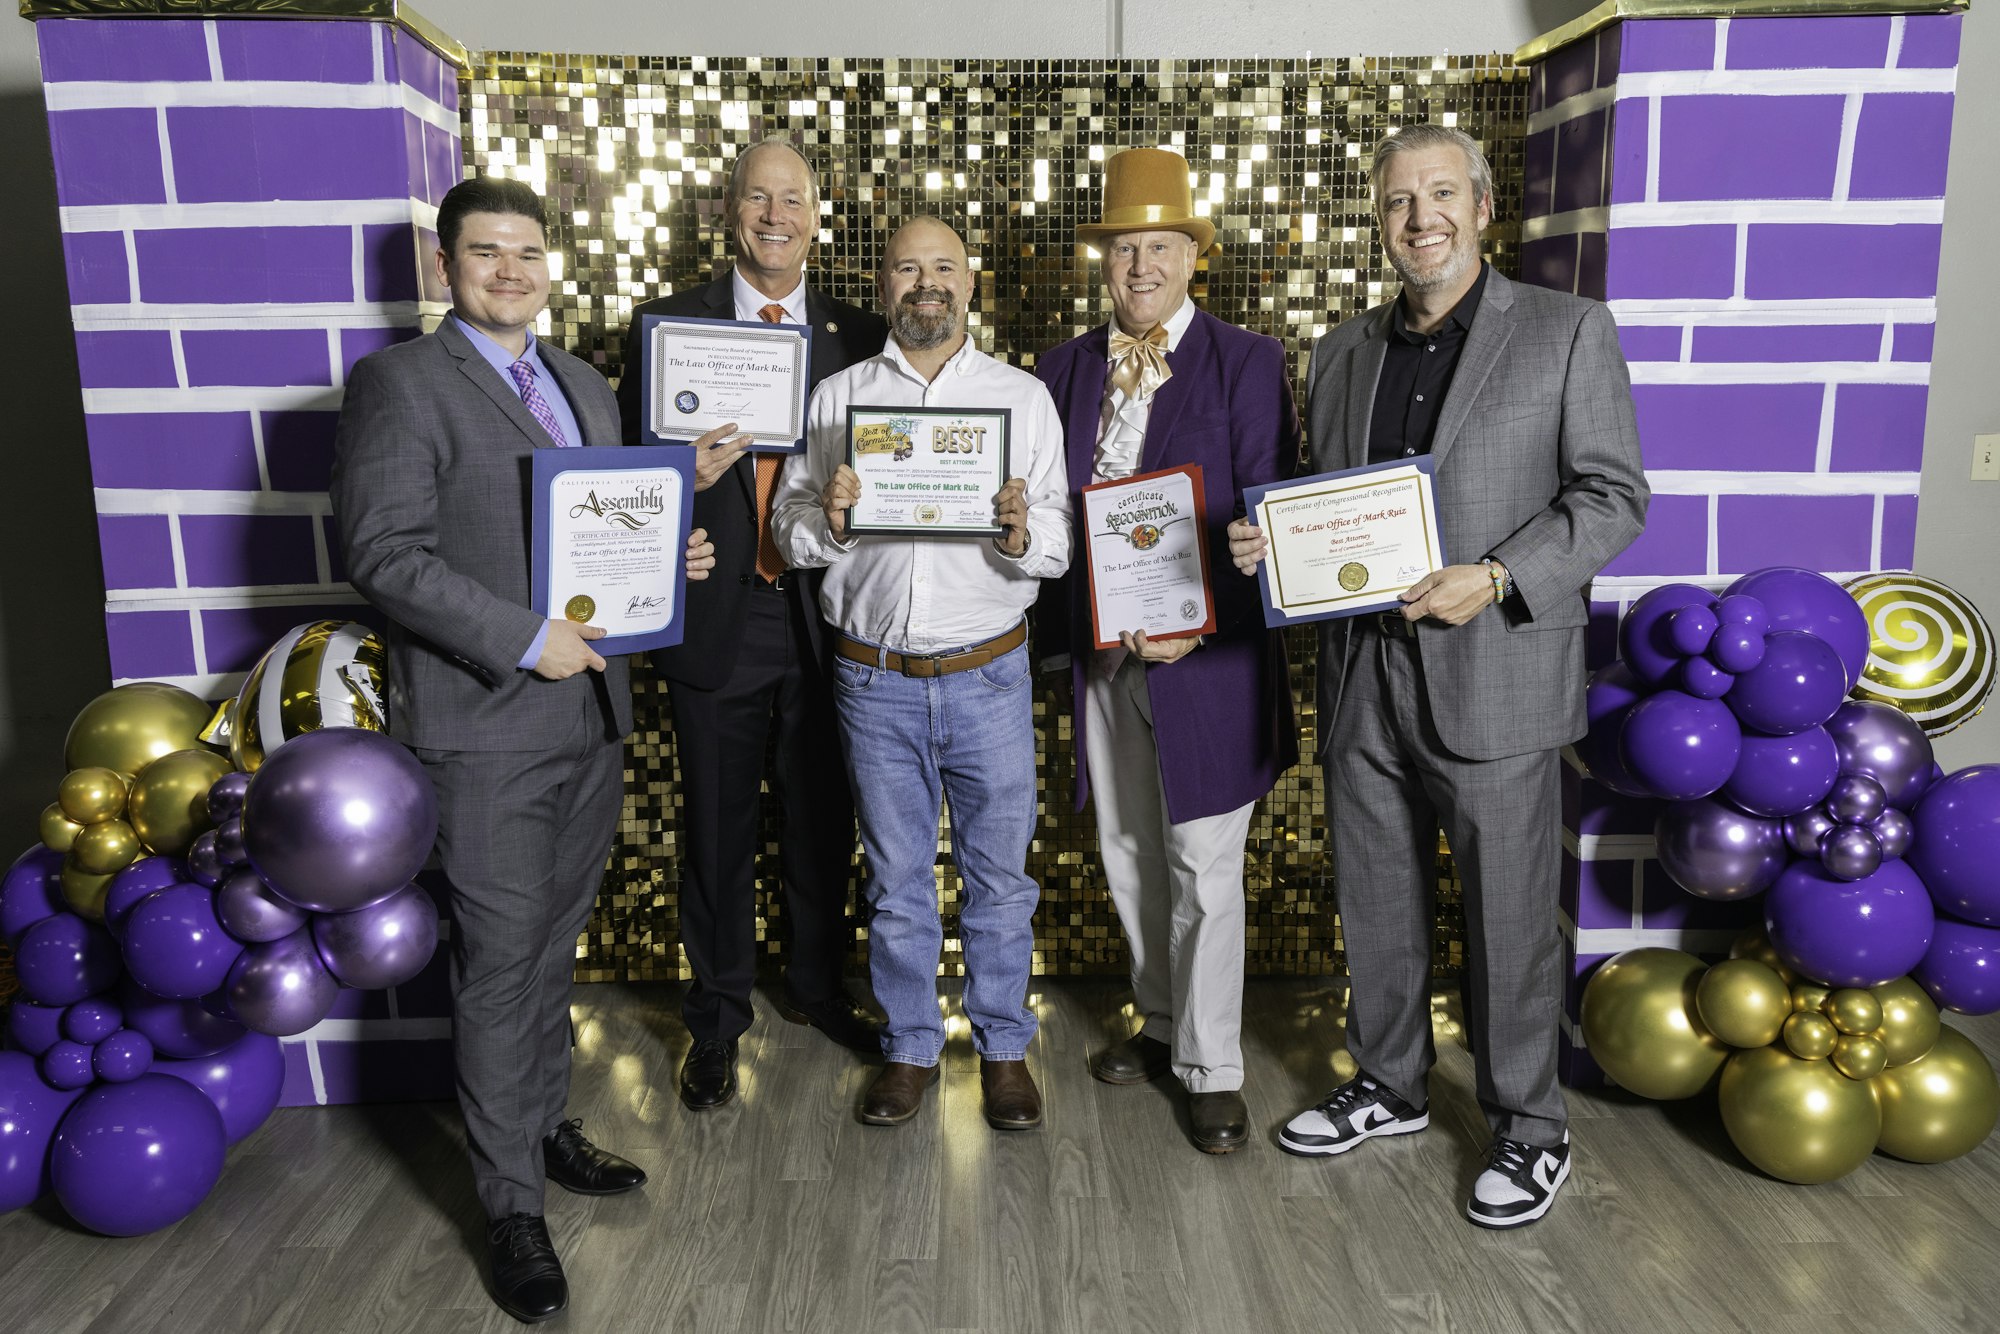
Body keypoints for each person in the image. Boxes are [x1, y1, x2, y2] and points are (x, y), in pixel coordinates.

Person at [1228, 124, 1648, 1227]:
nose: (1420, 217)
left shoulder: (1563, 332)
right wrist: (1273, 545)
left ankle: (1527, 1124)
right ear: (1376, 221)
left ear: (1480, 206)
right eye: (1397, 200)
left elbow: (1612, 496)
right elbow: (1330, 507)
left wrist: (1500, 574)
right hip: (1363, 671)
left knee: (1507, 911)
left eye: (1440, 194)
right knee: (1375, 897)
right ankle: (1388, 1080)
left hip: (1495, 667)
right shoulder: (1339, 349)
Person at [332, 176, 715, 1322]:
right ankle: (508, 1204)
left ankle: (540, 1127)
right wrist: (523, 635)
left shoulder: (583, 382)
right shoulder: (400, 384)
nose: (510, 270)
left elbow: (607, 526)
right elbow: (384, 555)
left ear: (551, 265)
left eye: (528, 252)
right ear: (446, 266)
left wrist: (669, 564)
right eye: (485, 252)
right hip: (483, 726)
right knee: (500, 965)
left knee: (551, 945)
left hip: (589, 718)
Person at [771, 216, 1071, 1130]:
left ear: (970, 284)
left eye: (943, 267)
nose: (925, 283)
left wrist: (1023, 531)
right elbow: (787, 531)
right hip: (873, 681)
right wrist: (831, 518)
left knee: (998, 877)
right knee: (897, 879)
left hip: (987, 674)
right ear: (885, 287)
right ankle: (909, 1046)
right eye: (908, 268)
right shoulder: (836, 399)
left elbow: (1058, 541)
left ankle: (1004, 1046)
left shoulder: (1021, 400)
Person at [1033, 147, 1299, 1154]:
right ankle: (1156, 1017)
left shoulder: (1250, 361)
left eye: (1160, 246)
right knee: (1127, 849)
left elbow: (1269, 515)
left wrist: (1237, 574)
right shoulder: (1060, 370)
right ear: (1100, 260)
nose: (1138, 266)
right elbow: (1053, 518)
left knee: (1201, 862)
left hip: (1208, 662)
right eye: (1121, 248)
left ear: (1194, 254)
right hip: (1101, 661)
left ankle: (1210, 1064)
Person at [616, 139, 889, 1111]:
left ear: (818, 214)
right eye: (756, 197)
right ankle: (716, 1018)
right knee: (717, 832)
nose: (775, 214)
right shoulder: (663, 326)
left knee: (824, 822)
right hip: (715, 620)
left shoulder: (860, 333)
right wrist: (668, 484)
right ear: (728, 210)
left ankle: (818, 987)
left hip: (824, 619)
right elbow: (618, 492)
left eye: (793, 199)